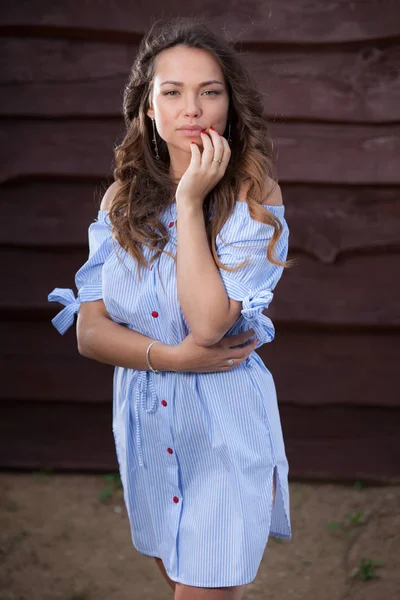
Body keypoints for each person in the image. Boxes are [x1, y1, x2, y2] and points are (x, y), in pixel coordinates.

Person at [48, 16, 293, 600]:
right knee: (180, 575)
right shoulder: (120, 201)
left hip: (224, 427)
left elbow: (210, 324)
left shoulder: (253, 199)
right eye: (173, 92)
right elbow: (91, 332)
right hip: (146, 425)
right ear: (148, 111)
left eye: (210, 91)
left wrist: (189, 202)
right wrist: (174, 358)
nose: (193, 109)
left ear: (230, 107)